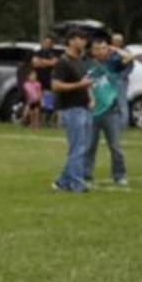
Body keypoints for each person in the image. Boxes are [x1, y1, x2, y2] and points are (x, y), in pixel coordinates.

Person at [51, 28, 92, 193]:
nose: (84, 42)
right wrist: (79, 85)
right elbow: (55, 85)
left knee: (79, 147)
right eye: (81, 38)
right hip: (71, 109)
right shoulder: (63, 62)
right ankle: (77, 183)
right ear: (71, 41)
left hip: (83, 107)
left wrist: (91, 97)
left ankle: (63, 181)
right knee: (77, 148)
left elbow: (86, 82)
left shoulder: (79, 61)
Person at [83, 35, 128, 185]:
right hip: (92, 111)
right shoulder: (86, 65)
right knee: (89, 146)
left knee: (115, 147)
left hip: (111, 111)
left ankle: (119, 175)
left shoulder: (113, 63)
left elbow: (130, 57)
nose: (101, 51)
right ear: (92, 51)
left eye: (103, 48)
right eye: (97, 49)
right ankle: (86, 175)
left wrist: (115, 49)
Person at [32, 36, 59, 128]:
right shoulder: (37, 52)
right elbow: (35, 62)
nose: (47, 44)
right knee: (37, 102)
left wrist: (42, 62)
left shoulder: (53, 53)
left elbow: (55, 62)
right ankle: (37, 122)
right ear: (42, 43)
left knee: (49, 103)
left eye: (49, 42)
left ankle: (48, 121)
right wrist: (48, 62)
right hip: (38, 82)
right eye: (46, 42)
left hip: (49, 81)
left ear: (52, 44)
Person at [110, 32, 134, 128]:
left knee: (122, 102)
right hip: (111, 79)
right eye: (114, 40)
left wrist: (121, 76)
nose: (115, 42)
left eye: (117, 40)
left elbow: (130, 66)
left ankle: (123, 123)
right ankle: (114, 123)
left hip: (121, 80)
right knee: (112, 102)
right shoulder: (111, 51)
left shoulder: (125, 51)